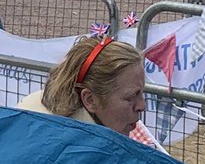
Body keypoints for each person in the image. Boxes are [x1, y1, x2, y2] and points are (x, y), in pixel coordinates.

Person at [18, 36, 146, 136]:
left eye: (141, 93)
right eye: (130, 97)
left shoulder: (33, 104)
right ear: (90, 100)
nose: (142, 106)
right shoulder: (82, 150)